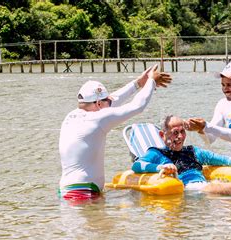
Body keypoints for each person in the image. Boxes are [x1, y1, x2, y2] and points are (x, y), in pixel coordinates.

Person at [59, 65, 172, 201]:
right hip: (82, 193)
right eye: (107, 101)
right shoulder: (96, 119)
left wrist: (138, 84)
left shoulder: (71, 116)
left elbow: (115, 99)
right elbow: (137, 106)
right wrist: (151, 82)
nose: (111, 102)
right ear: (99, 104)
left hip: (67, 190)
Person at [132, 115, 231, 195]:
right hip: (188, 189)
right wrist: (161, 168)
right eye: (175, 133)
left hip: (201, 188)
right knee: (215, 188)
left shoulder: (193, 151)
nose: (180, 136)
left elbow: (221, 159)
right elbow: (137, 165)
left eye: (182, 132)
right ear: (162, 135)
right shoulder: (156, 153)